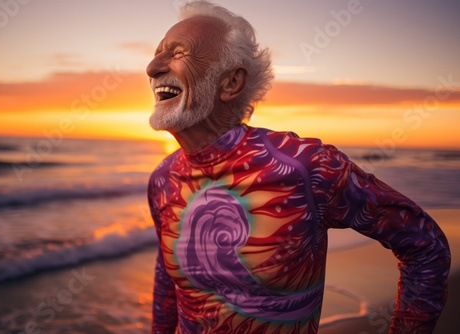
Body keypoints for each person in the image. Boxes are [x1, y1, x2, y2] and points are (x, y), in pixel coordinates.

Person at [146, 1, 451, 333]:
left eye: (178, 53)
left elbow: (425, 245)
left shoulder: (306, 168)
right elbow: (167, 278)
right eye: (157, 52)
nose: (151, 67)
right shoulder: (164, 179)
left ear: (231, 82)